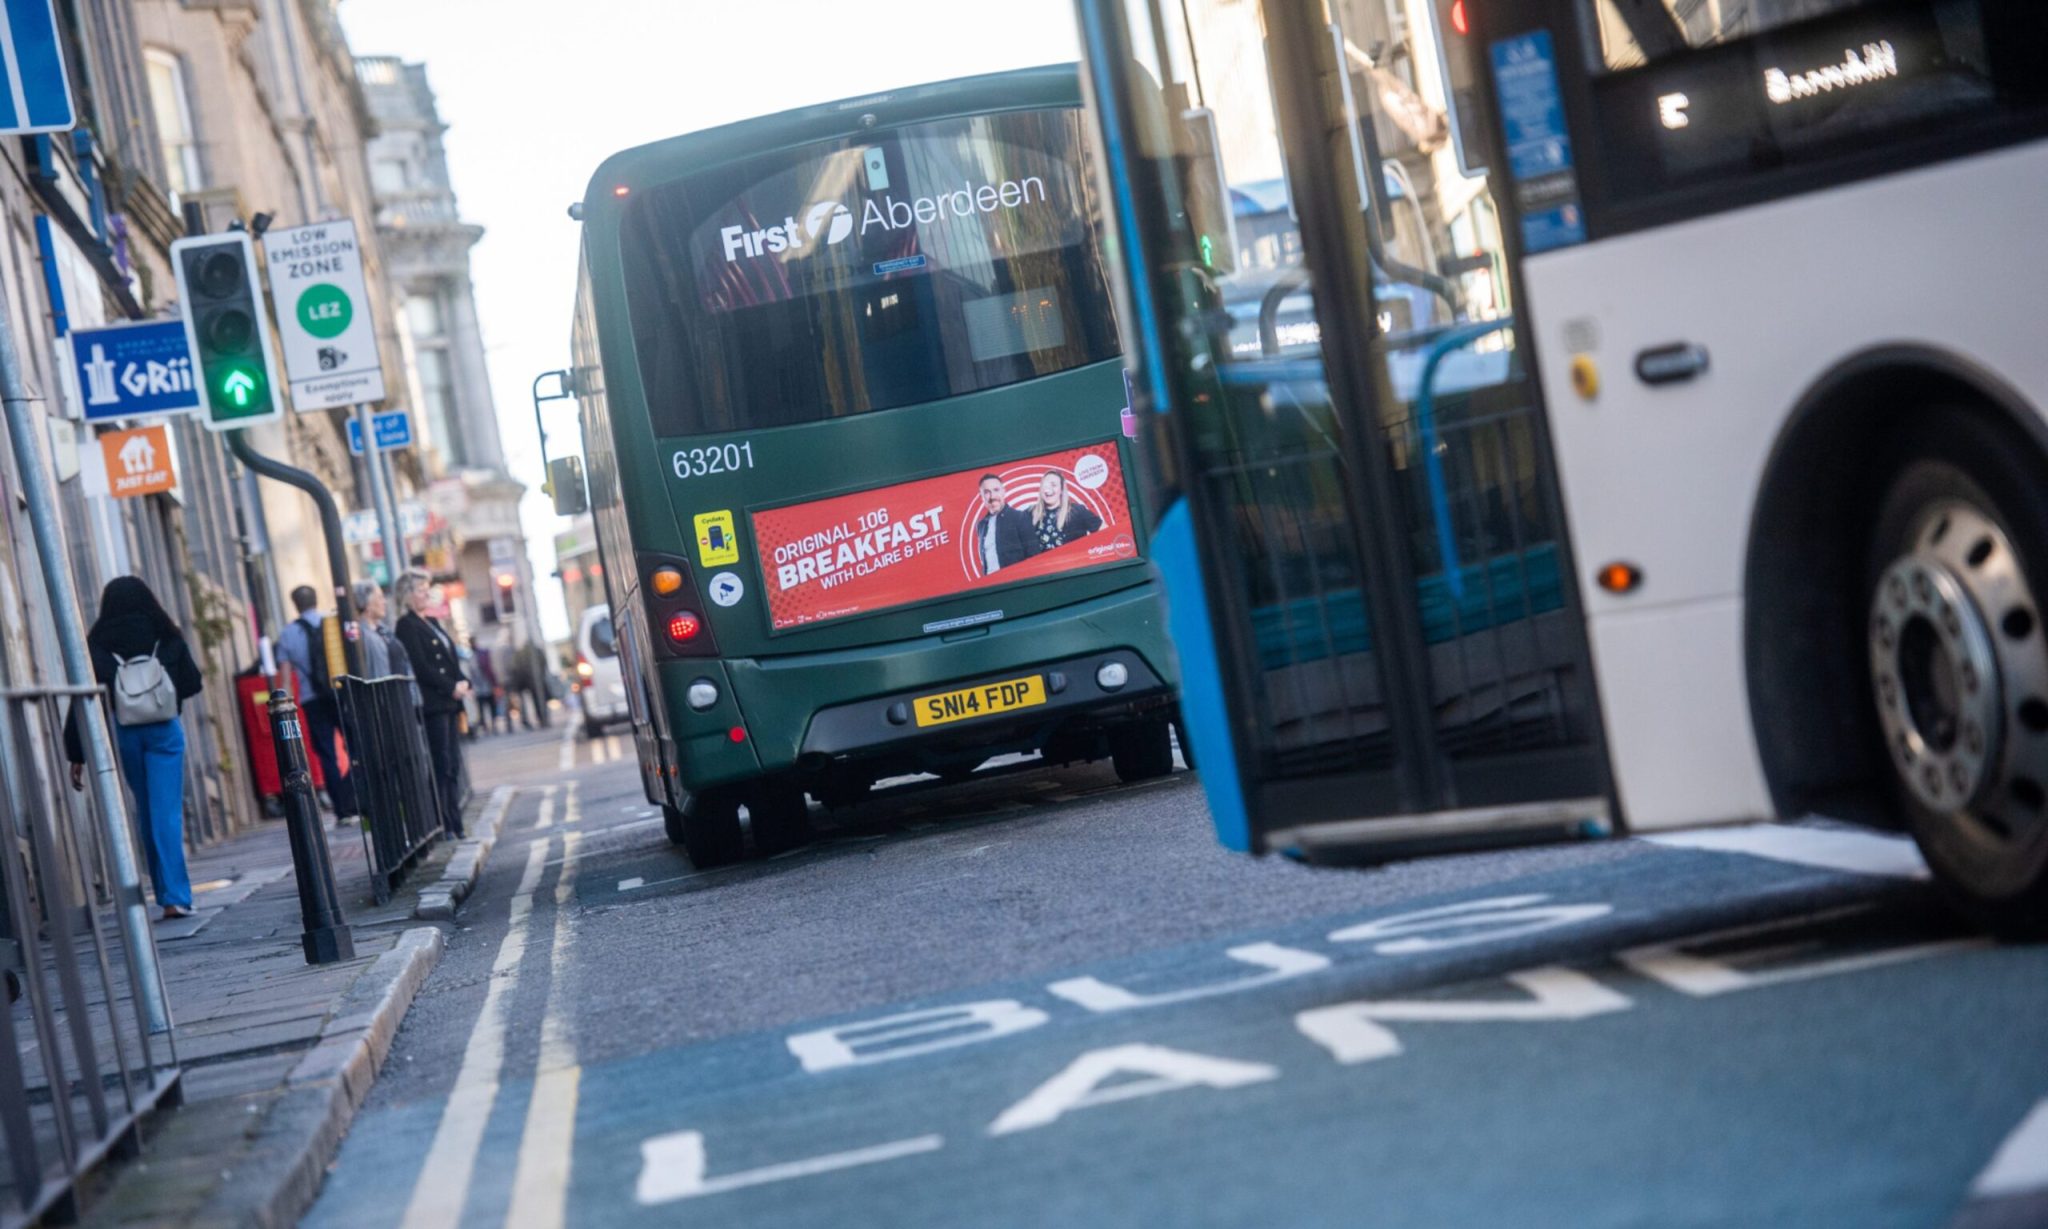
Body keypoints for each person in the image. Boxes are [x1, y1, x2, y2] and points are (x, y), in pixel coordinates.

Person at [62, 578, 204, 921]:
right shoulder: (164, 633)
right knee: (166, 811)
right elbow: (191, 683)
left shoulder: (97, 641)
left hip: (127, 733)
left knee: (146, 811)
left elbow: (82, 699)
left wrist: (76, 752)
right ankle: (174, 896)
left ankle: (165, 892)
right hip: (165, 733)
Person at [393, 570, 470, 836]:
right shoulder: (406, 625)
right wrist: (451, 687)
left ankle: (456, 821)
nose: (426, 594)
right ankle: (445, 824)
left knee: (452, 765)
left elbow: (451, 658)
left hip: (450, 702)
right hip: (434, 704)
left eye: (427, 589)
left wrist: (463, 681)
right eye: (420, 590)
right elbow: (421, 666)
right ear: (407, 595)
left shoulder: (434, 622)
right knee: (441, 762)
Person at [277, 585, 357, 819]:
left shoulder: (288, 633)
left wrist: (285, 708)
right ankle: (354, 795)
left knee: (326, 754)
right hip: (340, 693)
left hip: (311, 699)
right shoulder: (332, 623)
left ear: (295, 604)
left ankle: (342, 809)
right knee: (355, 746)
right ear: (316, 599)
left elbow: (285, 677)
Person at [972, 473, 1038, 575]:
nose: (992, 496)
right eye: (987, 492)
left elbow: (1034, 556)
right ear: (982, 496)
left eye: (996, 490)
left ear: (1004, 492)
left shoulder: (1020, 517)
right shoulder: (981, 525)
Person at [1030, 471, 1102, 552]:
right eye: (1045, 486)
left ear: (1061, 490)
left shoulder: (1077, 511)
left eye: (1053, 485)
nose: (1048, 490)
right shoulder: (1030, 513)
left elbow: (1105, 532)